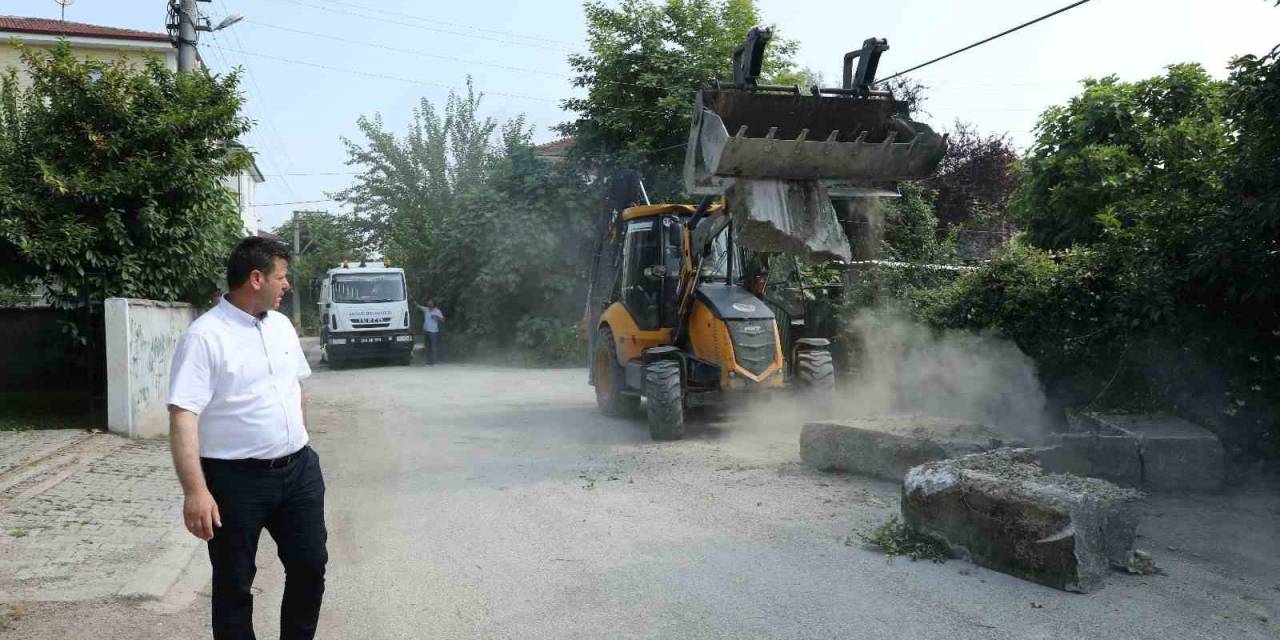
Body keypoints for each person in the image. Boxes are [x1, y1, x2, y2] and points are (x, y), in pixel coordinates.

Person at [167, 237, 327, 640]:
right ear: (256, 279)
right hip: (235, 482)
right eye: (281, 277)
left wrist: (300, 443)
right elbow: (183, 414)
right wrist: (195, 491)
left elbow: (295, 389)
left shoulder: (283, 326)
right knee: (234, 584)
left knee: (310, 567)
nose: (286, 285)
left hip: (299, 472)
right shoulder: (206, 336)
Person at [417, 298, 445, 365]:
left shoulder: (437, 311)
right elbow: (418, 306)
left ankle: (433, 361)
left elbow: (443, 320)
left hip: (433, 331)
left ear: (433, 304)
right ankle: (428, 361)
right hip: (426, 330)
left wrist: (436, 317)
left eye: (430, 302)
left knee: (433, 347)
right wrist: (412, 300)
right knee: (427, 347)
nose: (429, 303)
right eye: (428, 302)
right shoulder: (426, 309)